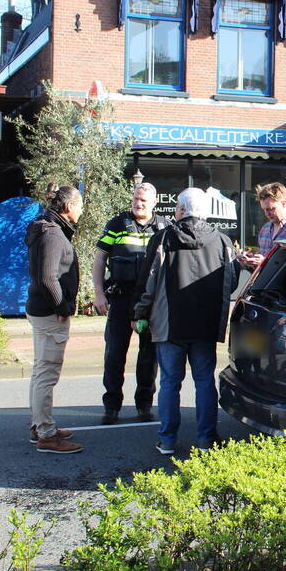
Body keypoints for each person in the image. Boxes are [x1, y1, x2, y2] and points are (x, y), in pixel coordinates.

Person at [133, 187, 237, 455]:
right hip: (205, 324)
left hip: (170, 324)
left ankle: (167, 440)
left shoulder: (163, 238)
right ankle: (207, 439)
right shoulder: (223, 241)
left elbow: (149, 282)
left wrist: (140, 313)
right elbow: (232, 281)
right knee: (204, 382)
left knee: (170, 383)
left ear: (180, 210)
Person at [93, 182, 169, 425]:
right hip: (121, 297)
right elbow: (99, 258)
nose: (138, 204)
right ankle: (112, 406)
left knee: (148, 356)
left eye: (143, 201)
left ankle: (144, 405)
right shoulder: (117, 224)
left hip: (150, 302)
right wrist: (98, 293)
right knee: (114, 353)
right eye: (136, 199)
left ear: (154, 202)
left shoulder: (164, 227)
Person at [25, 183, 84, 454]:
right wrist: (62, 308)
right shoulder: (52, 233)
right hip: (50, 315)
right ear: (70, 206)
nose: (82, 211)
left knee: (40, 372)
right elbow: (48, 277)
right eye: (81, 205)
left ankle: (40, 425)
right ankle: (46, 435)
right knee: (47, 374)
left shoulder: (46, 226)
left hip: (42, 311)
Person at [238, 181, 286, 270]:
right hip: (264, 283)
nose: (267, 213)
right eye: (264, 209)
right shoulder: (265, 229)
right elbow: (260, 268)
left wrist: (266, 262)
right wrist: (249, 261)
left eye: (271, 209)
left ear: (283, 204)